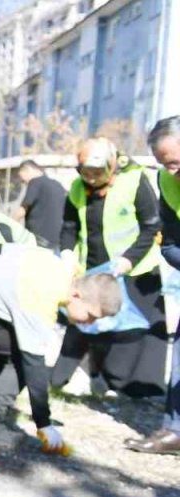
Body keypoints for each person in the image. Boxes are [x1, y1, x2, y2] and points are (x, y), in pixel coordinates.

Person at [0, 243, 121, 451]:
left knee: (12, 345)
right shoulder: (43, 297)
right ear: (76, 295)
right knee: (21, 356)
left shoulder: (59, 267)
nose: (90, 323)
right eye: (91, 316)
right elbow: (34, 366)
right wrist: (44, 423)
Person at [52, 137, 167, 398]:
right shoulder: (77, 188)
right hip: (92, 270)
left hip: (134, 270)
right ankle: (73, 378)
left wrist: (128, 260)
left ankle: (132, 389)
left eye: (97, 173)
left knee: (130, 333)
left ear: (112, 166)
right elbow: (69, 227)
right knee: (85, 323)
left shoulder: (134, 181)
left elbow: (151, 226)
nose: (91, 179)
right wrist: (68, 255)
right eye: (86, 173)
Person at [128, 116, 180, 454]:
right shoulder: (167, 180)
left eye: (175, 162)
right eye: (165, 164)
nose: (171, 171)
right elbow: (170, 244)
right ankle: (175, 429)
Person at [13, 159, 67, 248]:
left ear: (27, 170)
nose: (23, 182)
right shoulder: (57, 185)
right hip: (56, 239)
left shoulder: (35, 182)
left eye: (21, 177)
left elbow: (23, 210)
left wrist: (8, 222)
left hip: (38, 239)